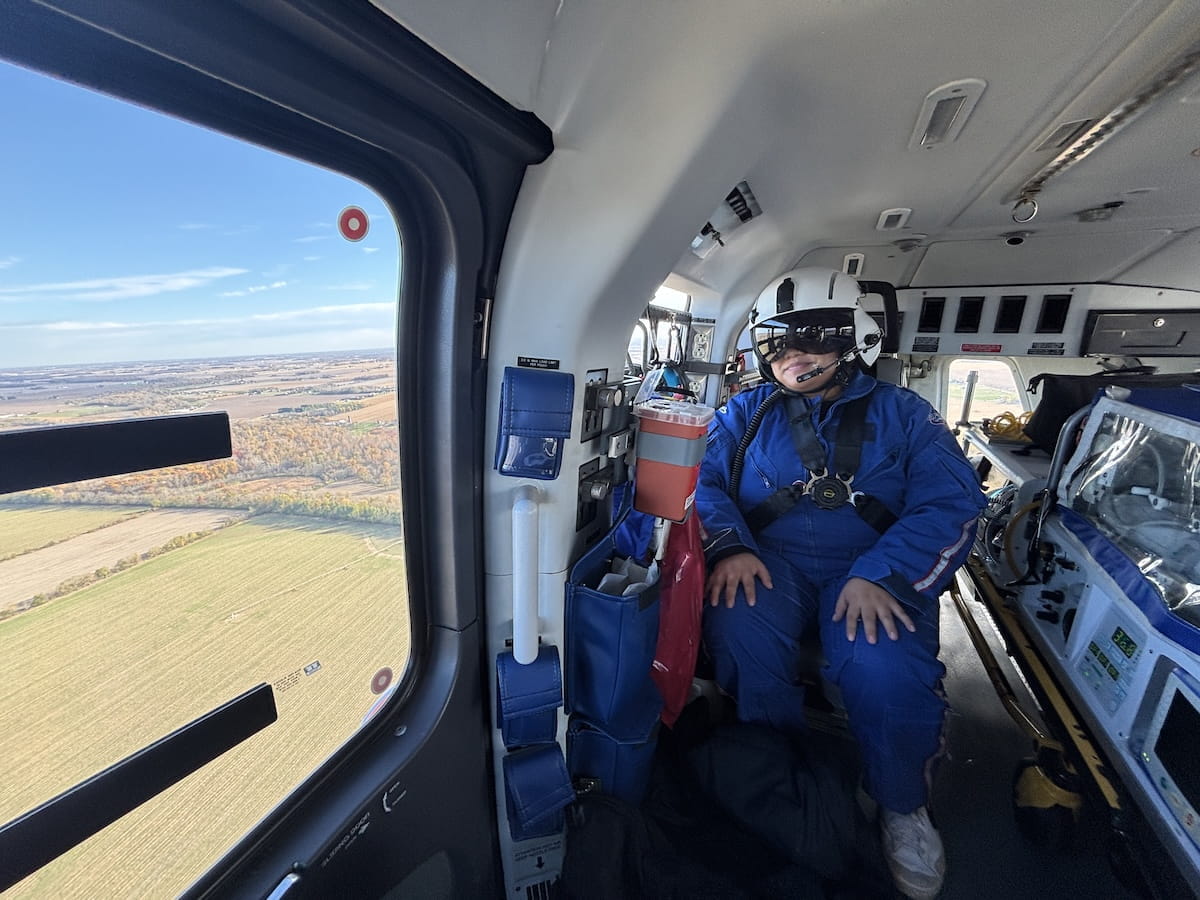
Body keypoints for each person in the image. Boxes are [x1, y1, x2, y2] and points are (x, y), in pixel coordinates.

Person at [696, 267, 986, 900]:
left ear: (857, 340)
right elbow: (704, 485)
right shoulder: (745, 411)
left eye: (815, 338)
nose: (794, 355)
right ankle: (779, 771)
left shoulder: (908, 415)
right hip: (770, 562)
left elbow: (954, 503)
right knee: (737, 627)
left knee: (883, 664)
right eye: (779, 341)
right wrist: (731, 546)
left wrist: (884, 572)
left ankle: (902, 805)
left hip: (874, 565)